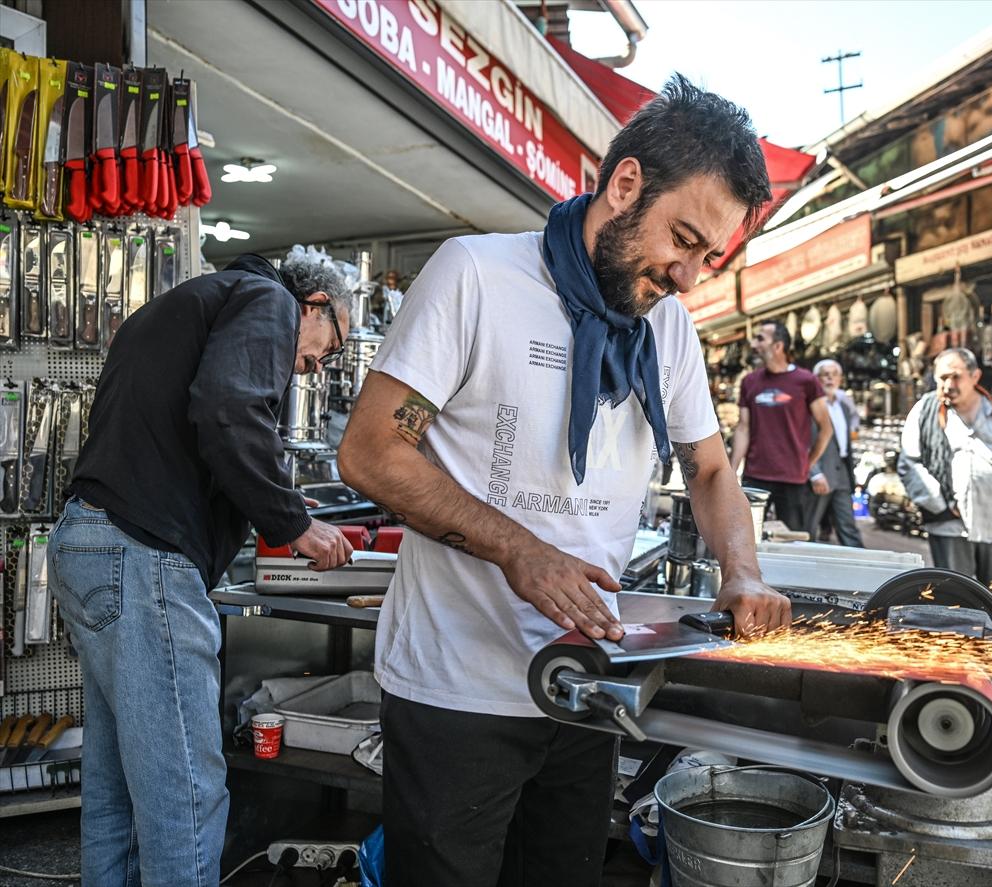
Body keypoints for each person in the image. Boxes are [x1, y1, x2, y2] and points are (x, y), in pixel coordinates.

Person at [337, 75, 791, 887]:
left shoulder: (668, 330)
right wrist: (521, 550)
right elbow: (371, 452)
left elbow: (710, 466)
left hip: (585, 686)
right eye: (682, 239)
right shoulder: (475, 275)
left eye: (707, 257)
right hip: (455, 691)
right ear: (624, 185)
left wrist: (743, 571)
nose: (689, 276)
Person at [48, 250, 355, 886]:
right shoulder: (267, 302)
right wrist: (292, 521)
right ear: (315, 305)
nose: (314, 365)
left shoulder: (192, 301)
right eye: (328, 347)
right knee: (184, 787)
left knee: (118, 784)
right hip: (142, 555)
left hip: (88, 543)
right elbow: (227, 408)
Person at [898, 348, 992, 616]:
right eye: (942, 378)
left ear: (975, 376)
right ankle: (960, 655)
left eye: (955, 377)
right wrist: (939, 504)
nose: (948, 385)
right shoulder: (926, 410)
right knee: (954, 599)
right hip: (951, 525)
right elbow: (910, 464)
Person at [729, 320, 832, 531]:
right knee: (745, 537)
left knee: (794, 542)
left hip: (792, 478)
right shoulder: (750, 381)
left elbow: (826, 428)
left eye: (760, 339)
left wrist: (808, 462)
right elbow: (743, 428)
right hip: (755, 476)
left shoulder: (806, 381)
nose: (754, 344)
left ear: (778, 346)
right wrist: (731, 470)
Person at [806, 359, 863, 547]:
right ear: (816, 378)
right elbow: (802, 442)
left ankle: (862, 569)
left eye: (834, 374)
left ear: (840, 379)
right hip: (820, 472)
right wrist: (814, 473)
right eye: (825, 374)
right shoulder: (809, 406)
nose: (830, 378)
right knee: (808, 529)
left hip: (841, 474)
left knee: (848, 527)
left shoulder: (844, 406)